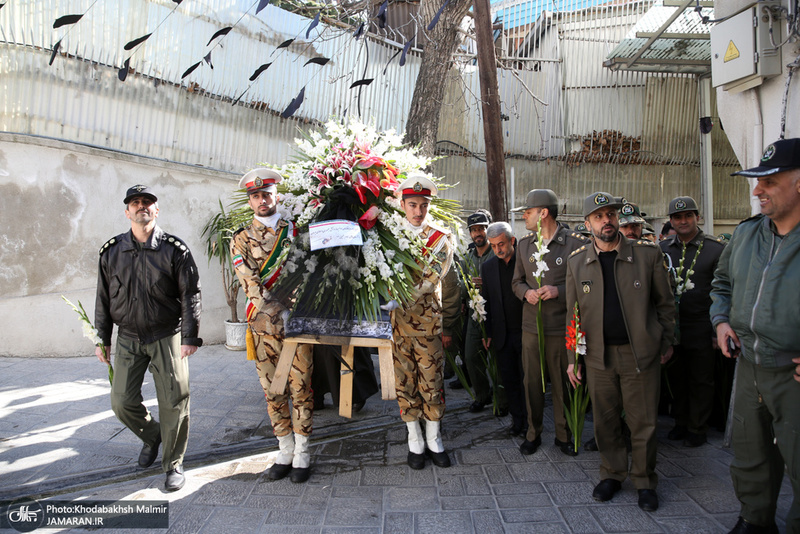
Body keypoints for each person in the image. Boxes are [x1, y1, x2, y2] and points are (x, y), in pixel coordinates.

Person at [710, 138, 800, 534]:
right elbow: (722, 283)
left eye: (770, 181)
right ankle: (755, 520)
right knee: (750, 455)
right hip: (749, 367)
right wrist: (721, 320)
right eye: (756, 180)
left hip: (792, 376)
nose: (757, 190)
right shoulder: (746, 235)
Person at [565, 191, 674, 512]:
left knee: (643, 422)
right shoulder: (577, 261)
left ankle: (644, 480)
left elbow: (665, 304)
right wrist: (574, 359)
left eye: (610, 214)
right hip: (598, 356)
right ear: (588, 224)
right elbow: (574, 315)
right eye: (599, 216)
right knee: (605, 421)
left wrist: (666, 342)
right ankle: (612, 473)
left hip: (639, 353)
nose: (606, 221)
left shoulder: (647, 255)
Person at [95, 185, 202, 492]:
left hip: (166, 335)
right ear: (127, 211)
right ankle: (154, 435)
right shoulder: (111, 251)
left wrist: (190, 336)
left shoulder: (174, 250)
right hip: (128, 336)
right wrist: (102, 337)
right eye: (135, 203)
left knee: (175, 400)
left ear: (157, 210)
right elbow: (102, 297)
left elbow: (190, 294)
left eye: (148, 202)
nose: (141, 206)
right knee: (121, 401)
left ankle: (173, 463)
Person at [230, 168, 314, 483]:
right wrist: (280, 311)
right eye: (256, 196)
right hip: (263, 326)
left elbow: (309, 273)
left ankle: (303, 452)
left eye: (267, 194)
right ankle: (284, 449)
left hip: (298, 326)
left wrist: (298, 309)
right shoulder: (240, 238)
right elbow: (251, 284)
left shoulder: (297, 232)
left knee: (301, 388)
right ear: (250, 201)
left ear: (276, 195)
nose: (262, 200)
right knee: (272, 390)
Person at [511, 189, 590, 456]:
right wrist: (526, 293)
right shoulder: (523, 245)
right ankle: (533, 433)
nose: (524, 216)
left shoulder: (576, 244)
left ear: (543, 213)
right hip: (532, 329)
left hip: (563, 328)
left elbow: (589, 286)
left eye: (528, 211)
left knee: (562, 384)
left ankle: (563, 434)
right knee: (532, 383)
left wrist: (560, 291)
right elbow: (516, 282)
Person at [392, 173, 454, 470]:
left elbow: (432, 278)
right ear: (402, 204)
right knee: (405, 381)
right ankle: (414, 438)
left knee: (431, 380)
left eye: (423, 205)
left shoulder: (440, 238)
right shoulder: (389, 237)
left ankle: (434, 437)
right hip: (398, 326)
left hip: (428, 323)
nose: (418, 211)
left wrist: (400, 296)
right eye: (412, 204)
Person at [659, 196, 725, 448]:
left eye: (688, 216)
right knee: (677, 378)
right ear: (671, 221)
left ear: (697, 217)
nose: (683, 221)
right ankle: (681, 422)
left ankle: (698, 427)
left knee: (701, 378)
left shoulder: (715, 249)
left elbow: (724, 290)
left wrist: (716, 329)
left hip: (702, 324)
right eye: (677, 217)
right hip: (673, 326)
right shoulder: (663, 249)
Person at [480, 222, 527, 436]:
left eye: (501, 244)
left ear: (512, 241)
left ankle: (533, 424)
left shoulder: (525, 263)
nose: (498, 249)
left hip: (527, 333)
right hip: (502, 335)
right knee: (510, 381)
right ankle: (518, 423)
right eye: (494, 245)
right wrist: (488, 332)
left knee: (529, 380)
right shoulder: (488, 267)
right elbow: (487, 302)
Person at [460, 210, 502, 413]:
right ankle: (482, 395)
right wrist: (467, 285)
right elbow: (459, 283)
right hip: (474, 313)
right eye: (474, 230)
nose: (478, 233)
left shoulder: (496, 252)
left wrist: (487, 283)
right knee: (470, 356)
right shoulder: (467, 256)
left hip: (495, 312)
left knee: (496, 357)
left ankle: (502, 399)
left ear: (488, 229)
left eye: (481, 229)